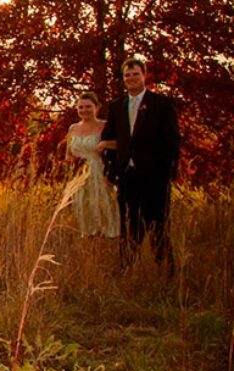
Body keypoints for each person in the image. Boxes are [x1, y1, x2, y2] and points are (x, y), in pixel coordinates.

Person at [97, 58, 181, 277]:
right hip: (127, 176)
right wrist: (110, 171)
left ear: (144, 75)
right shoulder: (116, 106)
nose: (131, 78)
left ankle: (166, 272)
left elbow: (173, 140)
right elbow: (109, 140)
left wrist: (169, 173)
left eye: (135, 74)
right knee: (129, 226)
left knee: (158, 225)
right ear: (123, 78)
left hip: (155, 176)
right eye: (127, 75)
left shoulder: (161, 104)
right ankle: (126, 271)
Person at [64, 92, 120, 238]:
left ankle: (110, 237)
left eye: (88, 107)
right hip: (80, 175)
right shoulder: (73, 128)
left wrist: (105, 144)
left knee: (104, 206)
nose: (84, 110)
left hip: (100, 172)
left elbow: (121, 145)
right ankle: (90, 241)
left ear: (97, 107)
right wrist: (73, 163)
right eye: (81, 107)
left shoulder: (105, 126)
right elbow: (68, 154)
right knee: (84, 208)